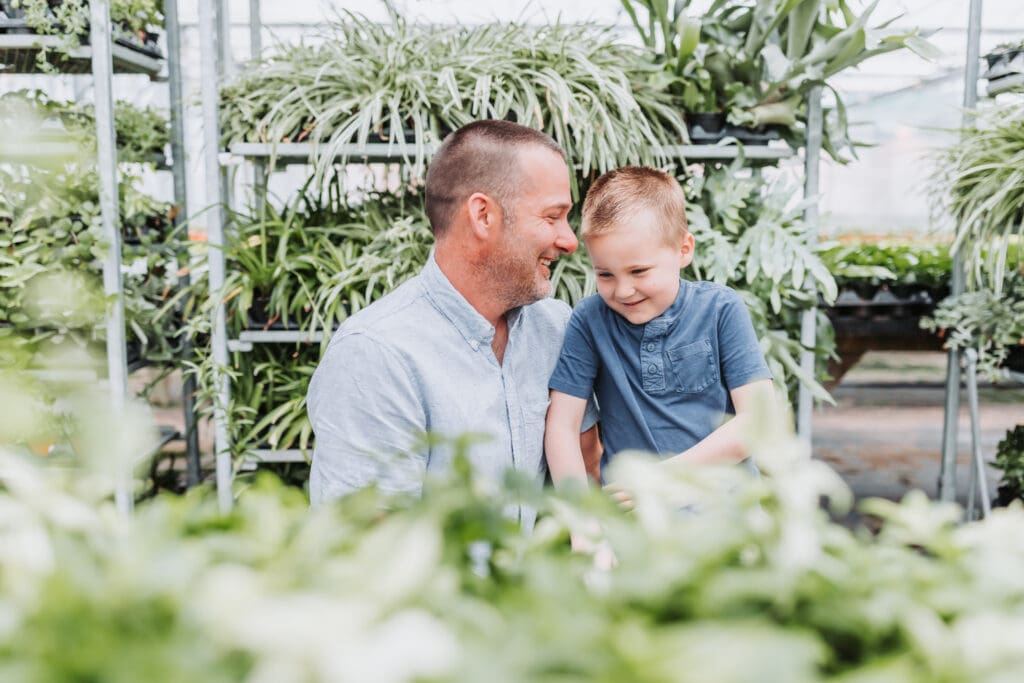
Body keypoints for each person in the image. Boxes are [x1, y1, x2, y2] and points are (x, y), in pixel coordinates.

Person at [307, 120, 600, 526]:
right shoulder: (375, 355)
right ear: (483, 215)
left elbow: (588, 471)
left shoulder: (555, 327)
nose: (570, 240)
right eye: (552, 217)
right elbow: (369, 551)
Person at [545, 166, 774, 488]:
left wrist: (661, 478)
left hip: (728, 519)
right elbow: (562, 427)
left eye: (638, 271)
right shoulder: (590, 320)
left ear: (684, 250)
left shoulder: (721, 309)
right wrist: (582, 522)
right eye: (605, 275)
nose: (623, 290)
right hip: (635, 522)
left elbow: (758, 421)